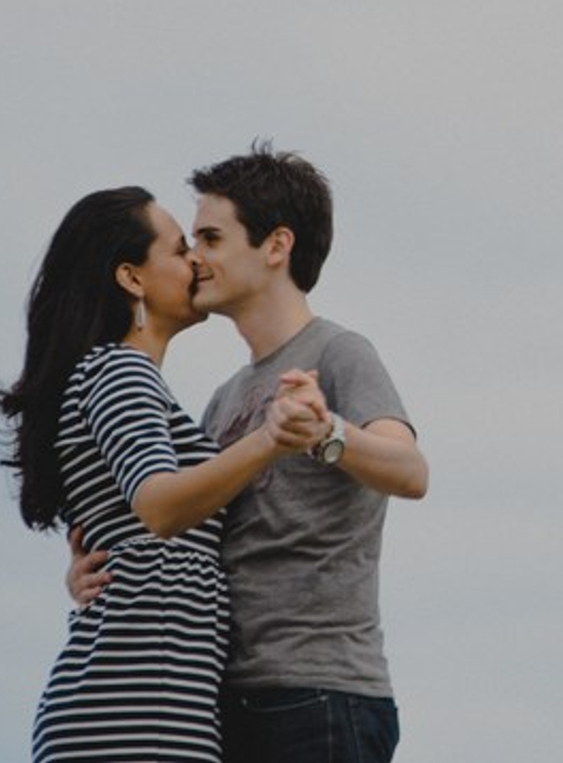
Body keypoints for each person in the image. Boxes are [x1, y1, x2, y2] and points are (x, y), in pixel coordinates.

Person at [72, 144, 429, 763]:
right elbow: (188, 520)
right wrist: (95, 571)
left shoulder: (339, 353)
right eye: (189, 244)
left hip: (318, 693)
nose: (195, 260)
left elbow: (410, 471)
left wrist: (325, 433)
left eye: (210, 239)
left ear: (275, 246)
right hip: (225, 700)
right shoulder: (223, 399)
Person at [1, 187, 329, 763]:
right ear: (132, 278)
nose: (197, 262)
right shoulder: (119, 371)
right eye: (180, 250)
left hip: (150, 708)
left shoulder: (123, 380)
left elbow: (128, 523)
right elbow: (159, 507)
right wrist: (270, 438)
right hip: (133, 712)